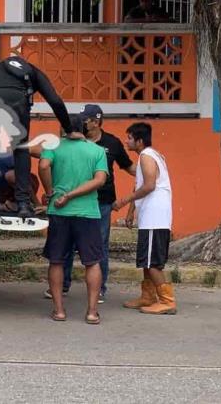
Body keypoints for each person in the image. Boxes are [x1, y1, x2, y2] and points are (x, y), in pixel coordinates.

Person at [44, 104, 136, 302]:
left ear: (96, 121)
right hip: (69, 202)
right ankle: (63, 286)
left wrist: (149, 170)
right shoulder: (70, 145)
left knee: (98, 248)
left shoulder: (111, 143)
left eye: (86, 119)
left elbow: (129, 168)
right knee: (64, 249)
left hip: (100, 203)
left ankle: (99, 289)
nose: (83, 123)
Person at [0, 56, 79, 218]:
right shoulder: (34, 73)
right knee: (20, 148)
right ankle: (24, 204)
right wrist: (68, 129)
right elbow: (55, 101)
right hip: (16, 100)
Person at [39, 114, 108, 324]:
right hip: (88, 212)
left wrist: (52, 191)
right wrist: (74, 195)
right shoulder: (96, 151)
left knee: (57, 260)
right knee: (92, 262)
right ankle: (92, 312)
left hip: (59, 212)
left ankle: (59, 310)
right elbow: (100, 180)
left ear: (63, 127)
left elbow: (43, 166)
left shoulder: (53, 146)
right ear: (85, 128)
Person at [113, 122, 176, 315]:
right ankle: (148, 296)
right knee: (146, 260)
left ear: (139, 141)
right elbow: (138, 185)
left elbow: (148, 186)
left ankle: (167, 301)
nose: (126, 141)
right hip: (150, 217)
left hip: (155, 218)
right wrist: (131, 212)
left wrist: (124, 201)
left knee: (153, 262)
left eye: (129, 138)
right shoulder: (148, 156)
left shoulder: (147, 156)